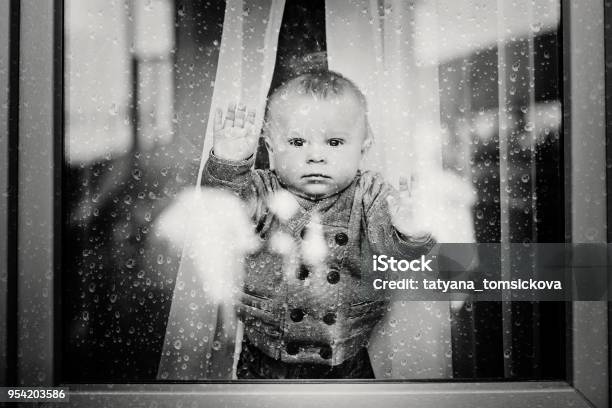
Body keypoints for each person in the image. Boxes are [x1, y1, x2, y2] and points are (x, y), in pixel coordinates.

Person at [201, 70, 436, 379]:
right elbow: (222, 213)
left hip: (345, 356)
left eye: (334, 142)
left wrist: (409, 230)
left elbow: (394, 254)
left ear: (363, 147)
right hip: (266, 357)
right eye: (297, 141)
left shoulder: (370, 194)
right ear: (270, 147)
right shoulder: (262, 188)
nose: (315, 156)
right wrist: (230, 163)